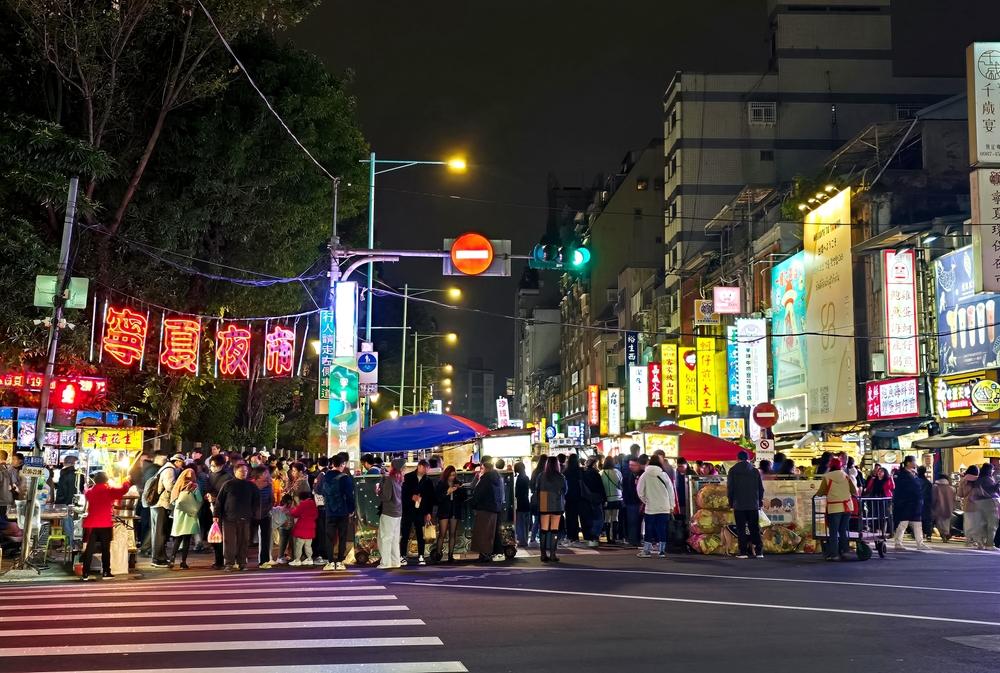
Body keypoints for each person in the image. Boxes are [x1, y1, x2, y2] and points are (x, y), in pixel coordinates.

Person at [79, 472, 132, 580]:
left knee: (89, 548)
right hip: (105, 523)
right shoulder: (110, 490)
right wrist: (126, 481)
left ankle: (85, 573)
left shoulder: (90, 492)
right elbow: (123, 490)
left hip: (91, 524)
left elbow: (85, 491)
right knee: (105, 549)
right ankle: (106, 572)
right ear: (106, 480)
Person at [214, 462, 260, 571]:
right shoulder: (228, 484)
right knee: (229, 542)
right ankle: (229, 563)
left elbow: (256, 501)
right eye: (241, 471)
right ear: (235, 472)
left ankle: (242, 563)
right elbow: (220, 501)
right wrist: (216, 514)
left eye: (245, 471)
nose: (244, 473)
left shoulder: (251, 486)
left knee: (243, 541)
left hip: (245, 518)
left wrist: (251, 512)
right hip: (229, 517)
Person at [815, 457, 858, 561]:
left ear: (830, 465)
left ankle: (834, 554)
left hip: (834, 507)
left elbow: (820, 492)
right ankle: (845, 552)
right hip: (847, 506)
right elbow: (853, 490)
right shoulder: (846, 476)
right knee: (843, 529)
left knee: (833, 531)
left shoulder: (827, 477)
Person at [727, 450, 765, 559]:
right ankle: (759, 551)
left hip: (739, 504)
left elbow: (731, 488)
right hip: (753, 504)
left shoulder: (733, 471)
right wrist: (760, 501)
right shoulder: (754, 471)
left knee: (741, 528)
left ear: (737, 458)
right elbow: (760, 488)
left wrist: (730, 502)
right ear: (748, 459)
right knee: (754, 527)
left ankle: (743, 552)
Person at [636, 455, 676, 558]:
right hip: (664, 506)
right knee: (662, 528)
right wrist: (671, 505)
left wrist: (646, 500)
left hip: (651, 507)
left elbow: (640, 491)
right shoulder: (664, 475)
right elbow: (671, 491)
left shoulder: (644, 475)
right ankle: (662, 550)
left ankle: (646, 551)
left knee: (649, 528)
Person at [149, 453, 184, 568]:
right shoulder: (170, 470)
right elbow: (170, 487)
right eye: (181, 463)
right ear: (178, 462)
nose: (181, 466)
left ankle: (159, 557)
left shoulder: (166, 468)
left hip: (158, 504)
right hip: (161, 504)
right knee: (160, 533)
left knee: (159, 532)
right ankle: (158, 559)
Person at [322, 454, 356, 571]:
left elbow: (322, 492)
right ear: (342, 464)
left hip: (329, 511)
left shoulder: (325, 476)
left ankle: (330, 562)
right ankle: (340, 562)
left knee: (330, 536)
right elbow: (349, 495)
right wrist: (351, 509)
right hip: (343, 511)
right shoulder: (345, 478)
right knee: (342, 536)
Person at [400, 459, 435, 566]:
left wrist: (429, 512)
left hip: (420, 510)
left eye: (427, 469)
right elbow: (402, 493)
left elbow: (430, 498)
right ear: (419, 466)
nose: (426, 470)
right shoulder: (408, 477)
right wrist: (411, 497)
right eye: (425, 468)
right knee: (405, 533)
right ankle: (402, 555)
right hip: (408, 509)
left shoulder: (428, 481)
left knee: (420, 534)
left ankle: (421, 555)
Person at [469, 459, 504, 562]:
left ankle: (484, 554)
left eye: (482, 468)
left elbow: (478, 494)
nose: (481, 471)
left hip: (484, 508)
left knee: (482, 532)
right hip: (495, 508)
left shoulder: (485, 479)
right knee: (490, 533)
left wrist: (472, 504)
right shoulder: (497, 479)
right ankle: (490, 553)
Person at [893, 455, 929, 551]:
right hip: (907, 503)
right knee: (903, 523)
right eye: (914, 461)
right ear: (908, 463)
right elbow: (901, 490)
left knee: (918, 523)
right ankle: (898, 542)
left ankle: (920, 543)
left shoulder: (914, 474)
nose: (915, 463)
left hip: (916, 503)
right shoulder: (902, 474)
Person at [168, 468, 202, 569]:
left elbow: (173, 502)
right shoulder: (194, 486)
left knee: (178, 538)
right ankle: (183, 562)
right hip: (190, 514)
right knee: (186, 539)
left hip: (179, 514)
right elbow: (199, 499)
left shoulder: (177, 486)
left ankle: (172, 559)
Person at [536, 456, 566, 563]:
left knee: (543, 530)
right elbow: (565, 490)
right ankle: (553, 554)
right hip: (557, 504)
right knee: (554, 530)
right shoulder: (560, 477)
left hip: (544, 503)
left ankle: (543, 554)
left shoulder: (541, 476)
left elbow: (537, 488)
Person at [376, 458, 405, 570]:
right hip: (398, 512)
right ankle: (395, 561)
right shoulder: (400, 479)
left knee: (385, 538)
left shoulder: (390, 479)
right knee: (394, 538)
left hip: (388, 512)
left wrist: (379, 493)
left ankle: (386, 562)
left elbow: (386, 497)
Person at [434, 466, 467, 563]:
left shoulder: (458, 483)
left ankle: (450, 555)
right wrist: (447, 492)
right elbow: (437, 499)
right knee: (442, 533)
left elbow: (463, 498)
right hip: (444, 510)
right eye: (451, 475)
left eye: (454, 475)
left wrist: (460, 489)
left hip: (454, 510)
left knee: (453, 533)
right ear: (447, 475)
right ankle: (438, 554)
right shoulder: (441, 484)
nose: (452, 477)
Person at [205, 455, 233, 569]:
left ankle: (221, 560)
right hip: (210, 509)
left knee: (220, 536)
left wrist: (215, 499)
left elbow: (229, 497)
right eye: (211, 465)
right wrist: (207, 496)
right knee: (212, 534)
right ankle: (217, 559)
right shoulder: (211, 475)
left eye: (214, 466)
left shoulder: (228, 478)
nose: (212, 468)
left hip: (222, 511)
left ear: (222, 465)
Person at [54, 454, 85, 552]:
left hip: (66, 504)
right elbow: (81, 489)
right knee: (76, 527)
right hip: (77, 504)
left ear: (65, 463)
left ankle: (69, 546)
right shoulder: (80, 475)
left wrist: (58, 503)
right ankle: (75, 546)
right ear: (74, 464)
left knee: (68, 527)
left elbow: (61, 492)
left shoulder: (64, 475)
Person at [250, 466, 274, 568]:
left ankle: (264, 561)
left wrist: (268, 508)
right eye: (265, 473)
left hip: (265, 515)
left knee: (265, 539)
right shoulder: (250, 484)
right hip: (251, 515)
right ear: (259, 475)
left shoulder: (269, 485)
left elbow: (271, 499)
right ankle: (240, 560)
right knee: (246, 538)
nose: (267, 475)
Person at [975, 463, 1000, 550]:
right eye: (992, 470)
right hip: (990, 502)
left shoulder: (979, 479)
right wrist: (997, 485)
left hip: (980, 502)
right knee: (992, 524)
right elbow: (992, 489)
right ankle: (990, 544)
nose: (993, 471)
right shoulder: (987, 479)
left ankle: (983, 542)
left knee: (984, 523)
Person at [289, 492, 318, 565]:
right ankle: (309, 558)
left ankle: (297, 560)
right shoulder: (313, 504)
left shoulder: (303, 504)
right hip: (311, 526)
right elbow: (316, 515)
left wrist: (291, 509)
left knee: (299, 545)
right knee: (308, 545)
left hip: (302, 527)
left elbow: (295, 513)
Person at [582, 457, 605, 547]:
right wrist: (604, 498)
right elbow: (600, 487)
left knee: (589, 518)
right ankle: (593, 536)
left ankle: (589, 537)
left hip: (585, 498)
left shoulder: (583, 473)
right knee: (599, 518)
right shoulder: (595, 474)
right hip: (596, 497)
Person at [958, 466, 983, 548]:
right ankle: (978, 540)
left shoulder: (963, 481)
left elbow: (960, 494)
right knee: (978, 524)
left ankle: (969, 540)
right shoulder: (979, 480)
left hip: (967, 505)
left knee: (968, 523)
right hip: (978, 505)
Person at [622, 457, 644, 548]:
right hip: (631, 502)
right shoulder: (629, 474)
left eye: (634, 465)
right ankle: (633, 540)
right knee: (632, 522)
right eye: (630, 465)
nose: (631, 467)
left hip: (639, 502)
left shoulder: (642, 474)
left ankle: (636, 540)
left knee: (637, 522)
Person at [562, 454, 584, 547]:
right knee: (579, 517)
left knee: (570, 517)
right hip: (580, 496)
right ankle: (577, 536)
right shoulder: (580, 471)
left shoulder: (565, 472)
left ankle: (571, 536)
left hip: (569, 497)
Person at [601, 456, 623, 543]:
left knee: (607, 518)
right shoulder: (617, 472)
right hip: (617, 497)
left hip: (606, 498)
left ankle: (608, 538)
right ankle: (614, 537)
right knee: (615, 518)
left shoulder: (601, 473)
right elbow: (621, 483)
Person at [932, 474, 956, 542]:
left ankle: (944, 534)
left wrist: (932, 506)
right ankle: (946, 533)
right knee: (946, 523)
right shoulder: (951, 488)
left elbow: (934, 498)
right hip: (949, 508)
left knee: (940, 523)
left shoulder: (936, 486)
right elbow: (954, 499)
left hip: (939, 508)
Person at [272, 494, 295, 563]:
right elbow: (274, 509)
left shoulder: (291, 509)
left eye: (291, 503)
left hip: (290, 527)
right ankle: (280, 557)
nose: (289, 505)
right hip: (283, 528)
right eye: (288, 503)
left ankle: (292, 556)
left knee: (292, 543)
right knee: (283, 542)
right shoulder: (280, 509)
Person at [528, 455, 545, 546]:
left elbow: (531, 485)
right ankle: (540, 537)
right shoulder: (544, 473)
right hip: (544, 498)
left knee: (538, 519)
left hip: (536, 497)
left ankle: (533, 537)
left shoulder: (535, 472)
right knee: (542, 519)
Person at [513, 461, 530, 547]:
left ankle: (522, 540)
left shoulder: (520, 479)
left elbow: (517, 493)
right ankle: (525, 540)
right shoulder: (526, 478)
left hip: (520, 503)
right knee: (525, 524)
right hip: (526, 503)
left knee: (521, 523)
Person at [917, 466, 934, 540]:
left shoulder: (916, 481)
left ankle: (919, 533)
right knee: (926, 518)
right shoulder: (928, 482)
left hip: (917, 502)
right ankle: (928, 534)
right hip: (926, 502)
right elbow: (931, 494)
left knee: (918, 518)